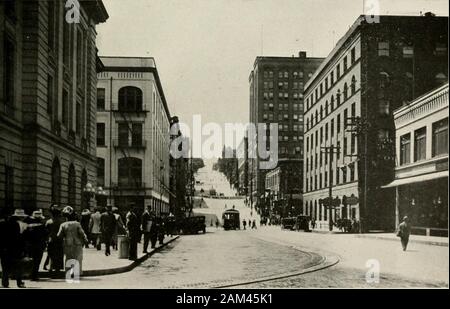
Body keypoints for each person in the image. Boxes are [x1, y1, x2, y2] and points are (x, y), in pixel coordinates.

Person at [57, 206, 88, 275]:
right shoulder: (77, 224)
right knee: (78, 258)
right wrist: (85, 240)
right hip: (77, 244)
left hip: (67, 243)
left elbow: (59, 235)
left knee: (68, 258)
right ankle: (77, 272)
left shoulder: (63, 225)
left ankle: (68, 272)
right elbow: (82, 233)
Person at [1, 208, 27, 288]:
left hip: (4, 248)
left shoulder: (1, 223)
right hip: (15, 248)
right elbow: (19, 237)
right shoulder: (18, 224)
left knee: (5, 266)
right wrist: (23, 249)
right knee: (18, 266)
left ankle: (5, 283)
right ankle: (19, 283)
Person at [24, 210, 47, 281]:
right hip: (38, 245)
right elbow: (45, 233)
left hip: (31, 244)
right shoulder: (42, 223)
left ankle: (31, 274)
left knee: (32, 260)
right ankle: (34, 275)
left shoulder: (27, 222)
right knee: (37, 261)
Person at [45, 205, 65, 275]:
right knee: (59, 255)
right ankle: (57, 270)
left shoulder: (48, 222)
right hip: (59, 240)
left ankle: (50, 268)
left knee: (51, 254)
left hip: (51, 240)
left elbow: (46, 231)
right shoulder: (61, 222)